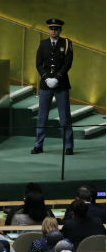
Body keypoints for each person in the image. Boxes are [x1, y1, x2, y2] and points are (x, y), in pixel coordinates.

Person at [31, 18, 74, 155]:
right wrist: (46, 78)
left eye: (56, 29)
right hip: (46, 84)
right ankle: (38, 145)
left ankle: (68, 146)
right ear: (48, 30)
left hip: (61, 84)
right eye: (51, 28)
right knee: (42, 116)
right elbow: (38, 64)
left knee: (65, 117)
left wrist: (57, 78)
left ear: (60, 30)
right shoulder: (43, 44)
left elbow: (68, 63)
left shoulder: (66, 43)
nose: (53, 31)